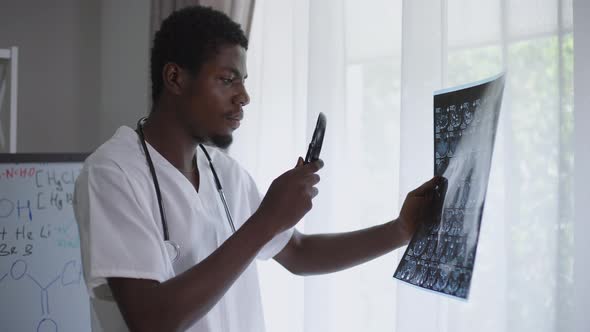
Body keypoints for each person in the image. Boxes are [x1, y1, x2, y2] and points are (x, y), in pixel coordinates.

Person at [73, 5, 441, 332]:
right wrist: (266, 220)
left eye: (244, 81)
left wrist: (400, 230)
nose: (244, 96)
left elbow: (298, 253)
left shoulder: (225, 173)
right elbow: (151, 321)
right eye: (227, 79)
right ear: (175, 78)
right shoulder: (113, 173)